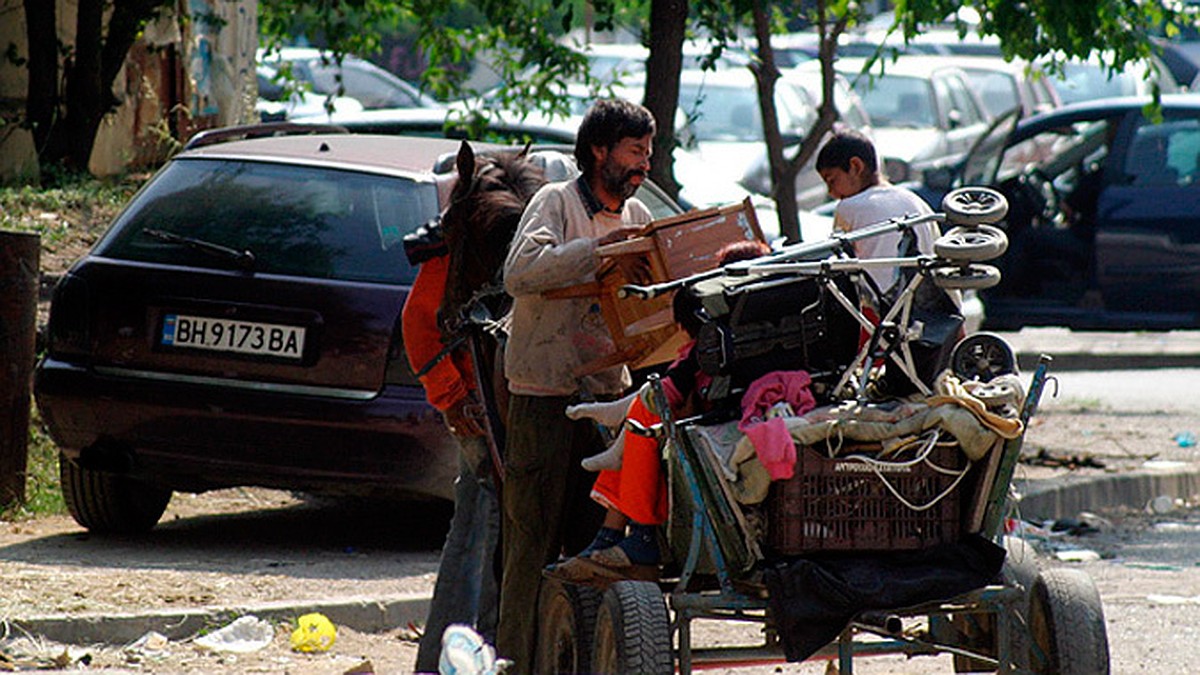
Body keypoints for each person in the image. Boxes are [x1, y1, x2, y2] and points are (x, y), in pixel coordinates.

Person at [497, 97, 657, 673]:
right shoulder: (555, 201)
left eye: (648, 152)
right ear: (598, 151)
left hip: (605, 401)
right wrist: (597, 252)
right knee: (530, 544)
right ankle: (513, 662)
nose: (644, 163)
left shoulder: (638, 217)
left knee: (595, 551)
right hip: (543, 392)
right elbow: (520, 274)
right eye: (634, 151)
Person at [545, 240, 773, 585]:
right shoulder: (770, 324)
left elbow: (676, 388)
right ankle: (611, 537)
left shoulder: (727, 335)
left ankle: (635, 538)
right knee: (648, 415)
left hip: (720, 420)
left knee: (646, 419)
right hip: (729, 410)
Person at [401, 200, 501, 674]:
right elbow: (418, 325)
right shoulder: (453, 250)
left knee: (480, 529)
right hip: (476, 413)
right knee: (480, 530)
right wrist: (454, 399)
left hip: (495, 407)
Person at [816, 129, 959, 395]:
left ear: (855, 167)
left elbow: (840, 264)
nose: (831, 192)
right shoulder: (912, 199)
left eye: (831, 180)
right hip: (939, 323)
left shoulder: (850, 207)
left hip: (895, 324)